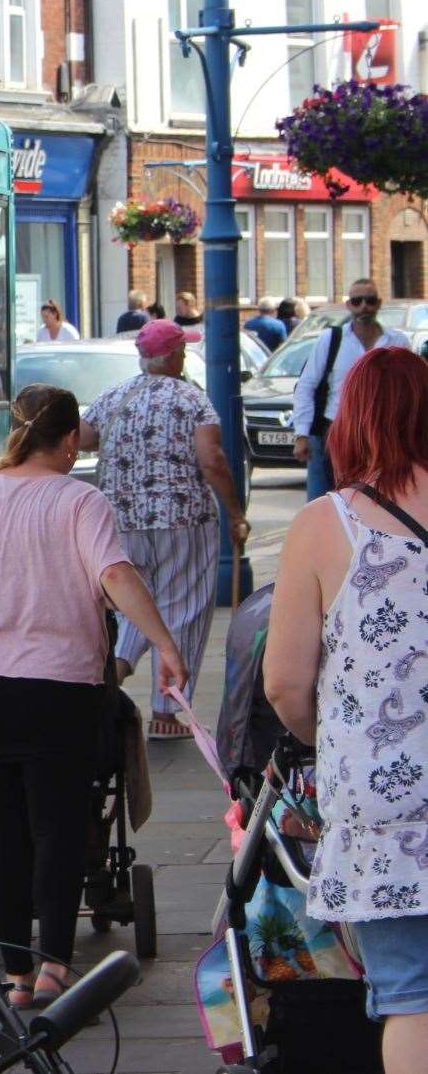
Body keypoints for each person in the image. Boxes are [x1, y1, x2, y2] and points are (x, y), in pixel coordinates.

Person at [0, 385, 185, 1005]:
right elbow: (115, 575)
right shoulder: (80, 501)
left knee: (4, 830)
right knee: (59, 829)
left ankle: (15, 975)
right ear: (70, 441)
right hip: (61, 689)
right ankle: (53, 968)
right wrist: (165, 646)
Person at [265, 348, 428, 1074]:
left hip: (380, 798)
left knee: (409, 995)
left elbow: (283, 683)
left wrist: (326, 739)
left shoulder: (322, 524)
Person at [80, 319, 248, 739]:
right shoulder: (193, 400)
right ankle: (166, 712)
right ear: (173, 356)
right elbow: (212, 460)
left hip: (124, 520)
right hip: (183, 519)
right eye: (182, 351)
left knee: (140, 601)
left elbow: (82, 438)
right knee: (183, 607)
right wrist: (235, 510)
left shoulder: (115, 397)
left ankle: (112, 674)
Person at [292, 279, 414, 500]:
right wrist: (302, 434)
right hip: (335, 432)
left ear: (379, 304)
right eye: (357, 301)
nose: (363, 307)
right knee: (327, 500)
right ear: (349, 305)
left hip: (383, 435)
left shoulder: (397, 341)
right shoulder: (331, 339)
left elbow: (409, 389)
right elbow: (306, 386)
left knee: (378, 500)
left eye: (370, 300)